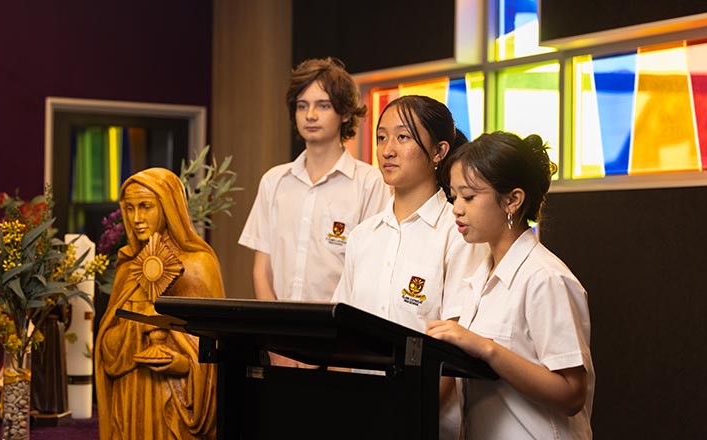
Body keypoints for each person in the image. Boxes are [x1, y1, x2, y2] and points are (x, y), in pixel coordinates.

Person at [331, 95, 487, 438]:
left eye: (403, 137)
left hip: (426, 424)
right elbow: (342, 337)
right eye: (381, 137)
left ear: (439, 151)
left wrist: (410, 420)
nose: (387, 150)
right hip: (360, 418)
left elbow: (455, 346)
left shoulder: (458, 233)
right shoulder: (362, 237)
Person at [426, 131, 594, 439]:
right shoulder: (478, 277)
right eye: (453, 196)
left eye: (469, 197)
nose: (456, 209)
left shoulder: (544, 277)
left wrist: (486, 348)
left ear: (512, 200)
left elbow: (572, 394)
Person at [238, 57, 389, 366]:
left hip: (341, 346)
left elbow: (368, 277)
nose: (310, 115)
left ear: (344, 113)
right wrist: (275, 342)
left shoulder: (370, 183)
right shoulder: (274, 181)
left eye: (323, 105)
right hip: (280, 342)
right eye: (302, 105)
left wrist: (336, 351)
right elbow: (261, 271)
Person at [95, 168, 225, 440]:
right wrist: (137, 328)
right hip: (130, 401)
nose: (136, 218)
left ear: (168, 206)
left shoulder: (198, 265)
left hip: (176, 401)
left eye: (146, 206)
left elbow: (217, 342)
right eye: (129, 208)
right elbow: (107, 347)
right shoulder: (128, 267)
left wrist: (185, 363)